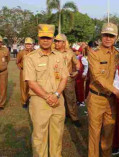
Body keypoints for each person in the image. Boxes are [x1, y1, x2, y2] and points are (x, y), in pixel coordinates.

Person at [24, 24, 69, 157]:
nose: (45, 40)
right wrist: (47, 96)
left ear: (52, 39)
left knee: (57, 134)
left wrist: (56, 94)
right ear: (38, 38)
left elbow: (64, 78)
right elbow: (31, 82)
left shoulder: (60, 56)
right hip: (39, 101)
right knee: (39, 136)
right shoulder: (30, 57)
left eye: (48, 38)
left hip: (58, 100)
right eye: (43, 37)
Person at [87, 22, 119, 157]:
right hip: (96, 98)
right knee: (94, 134)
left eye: (111, 36)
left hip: (111, 100)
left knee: (109, 133)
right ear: (101, 36)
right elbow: (97, 76)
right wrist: (117, 92)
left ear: (115, 38)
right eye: (105, 35)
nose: (108, 38)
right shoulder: (94, 53)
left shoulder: (118, 54)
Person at [54, 34, 81, 127]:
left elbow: (77, 63)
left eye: (58, 41)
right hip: (56, 79)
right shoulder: (52, 52)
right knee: (59, 98)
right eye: (55, 41)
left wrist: (77, 71)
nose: (56, 43)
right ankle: (63, 116)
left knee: (71, 98)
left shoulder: (70, 53)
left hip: (68, 79)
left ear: (64, 43)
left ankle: (74, 117)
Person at [16, 37, 34, 108]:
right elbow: (17, 62)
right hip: (24, 71)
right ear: (25, 45)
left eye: (30, 44)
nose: (28, 46)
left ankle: (30, 99)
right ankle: (24, 102)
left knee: (32, 86)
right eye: (27, 44)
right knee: (24, 87)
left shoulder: (35, 52)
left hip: (32, 72)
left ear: (32, 45)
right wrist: (21, 68)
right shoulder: (21, 52)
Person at [0, 35, 10, 110]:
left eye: (0, 42)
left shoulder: (5, 49)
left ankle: (1, 104)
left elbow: (8, 59)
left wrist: (3, 67)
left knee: (3, 88)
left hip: (3, 72)